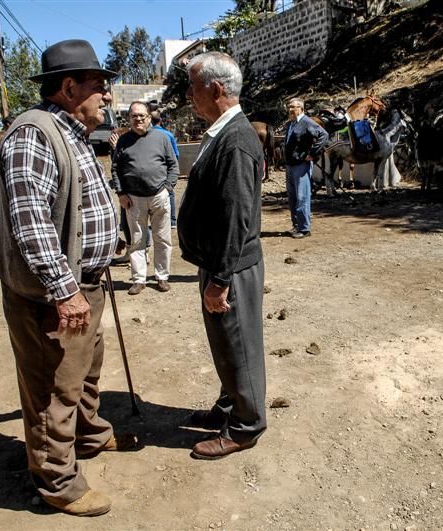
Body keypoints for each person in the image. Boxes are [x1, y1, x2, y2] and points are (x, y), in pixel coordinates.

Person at [0, 39, 137, 517]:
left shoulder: (71, 130)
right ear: (69, 87)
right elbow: (30, 219)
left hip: (83, 283)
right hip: (52, 295)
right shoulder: (33, 132)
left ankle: (89, 435)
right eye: (100, 86)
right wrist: (65, 289)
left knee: (86, 371)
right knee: (54, 386)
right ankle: (58, 482)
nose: (108, 95)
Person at [178, 51, 267, 460]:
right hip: (218, 262)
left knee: (239, 344)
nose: (189, 96)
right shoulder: (224, 133)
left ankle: (247, 426)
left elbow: (236, 216)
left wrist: (221, 279)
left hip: (228, 266)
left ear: (215, 88)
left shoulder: (235, 140)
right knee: (226, 345)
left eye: (193, 87)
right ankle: (231, 405)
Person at [110, 101, 179, 295]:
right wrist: (121, 193)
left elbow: (173, 165)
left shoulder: (162, 138)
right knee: (137, 240)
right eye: (134, 116)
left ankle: (162, 276)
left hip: (159, 196)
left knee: (162, 238)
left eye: (142, 116)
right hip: (133, 199)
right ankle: (139, 279)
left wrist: (168, 188)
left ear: (149, 117)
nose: (138, 119)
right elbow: (116, 169)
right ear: (129, 118)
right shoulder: (123, 141)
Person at [283, 97, 328, 238]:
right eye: (289, 107)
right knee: (292, 197)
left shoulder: (307, 122)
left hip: (301, 165)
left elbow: (323, 135)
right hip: (290, 165)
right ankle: (296, 225)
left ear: (301, 108)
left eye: (293, 107)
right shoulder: (291, 124)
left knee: (302, 196)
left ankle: (304, 228)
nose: (290, 109)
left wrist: (312, 154)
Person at [150, 110, 180, 228]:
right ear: (160, 120)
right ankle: (172, 221)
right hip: (167, 167)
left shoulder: (147, 135)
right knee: (169, 192)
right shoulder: (168, 135)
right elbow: (175, 154)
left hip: (154, 168)